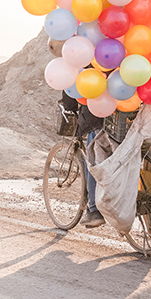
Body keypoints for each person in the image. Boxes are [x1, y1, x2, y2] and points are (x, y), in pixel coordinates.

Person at [60, 91, 106, 228]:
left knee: (92, 157)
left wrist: (70, 105)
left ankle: (94, 210)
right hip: (135, 116)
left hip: (99, 116)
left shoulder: (85, 69)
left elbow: (72, 88)